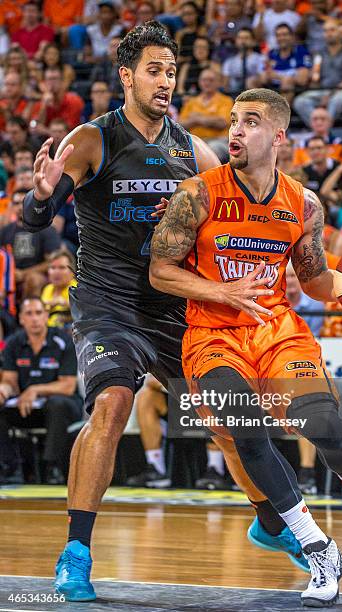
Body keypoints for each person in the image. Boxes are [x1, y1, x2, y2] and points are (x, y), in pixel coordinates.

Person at [23, 24, 308, 602]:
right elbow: (36, 218)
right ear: (126, 76)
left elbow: (233, 222)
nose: (165, 81)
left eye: (171, 71)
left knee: (230, 417)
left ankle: (271, 523)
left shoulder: (191, 149)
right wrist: (38, 195)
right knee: (112, 401)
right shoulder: (92, 139)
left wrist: (286, 265)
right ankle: (75, 552)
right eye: (154, 70)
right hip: (108, 303)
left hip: (175, 303)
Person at [150, 87, 342, 607]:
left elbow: (315, 280)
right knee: (245, 429)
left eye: (249, 122)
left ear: (277, 136)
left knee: (323, 424)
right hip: (212, 335)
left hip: (277, 330)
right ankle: (315, 546)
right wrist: (219, 291)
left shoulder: (303, 203)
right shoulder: (198, 194)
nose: (234, 130)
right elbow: (160, 270)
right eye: (231, 120)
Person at [0, 297, 83, 485]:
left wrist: (34, 390)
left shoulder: (63, 341)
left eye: (38, 313)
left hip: (63, 405)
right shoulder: (13, 343)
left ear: (46, 316)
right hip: (27, 406)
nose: (34, 318)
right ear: (21, 319)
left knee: (56, 404)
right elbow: (9, 381)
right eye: (29, 314)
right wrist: (3, 391)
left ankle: (52, 467)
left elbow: (67, 386)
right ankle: (9, 466)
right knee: (2, 411)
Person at [0, 189, 61, 298]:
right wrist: (10, 273)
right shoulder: (5, 231)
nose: (20, 207)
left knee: (33, 280)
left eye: (23, 202)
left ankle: (33, 312)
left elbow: (53, 262)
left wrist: (24, 274)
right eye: (16, 203)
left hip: (38, 275)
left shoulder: (46, 228)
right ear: (11, 206)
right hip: (10, 274)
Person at [41, 249, 77, 330]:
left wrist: (63, 302)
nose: (56, 272)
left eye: (62, 267)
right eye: (53, 268)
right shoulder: (48, 289)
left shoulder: (77, 288)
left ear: (72, 271)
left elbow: (85, 310)